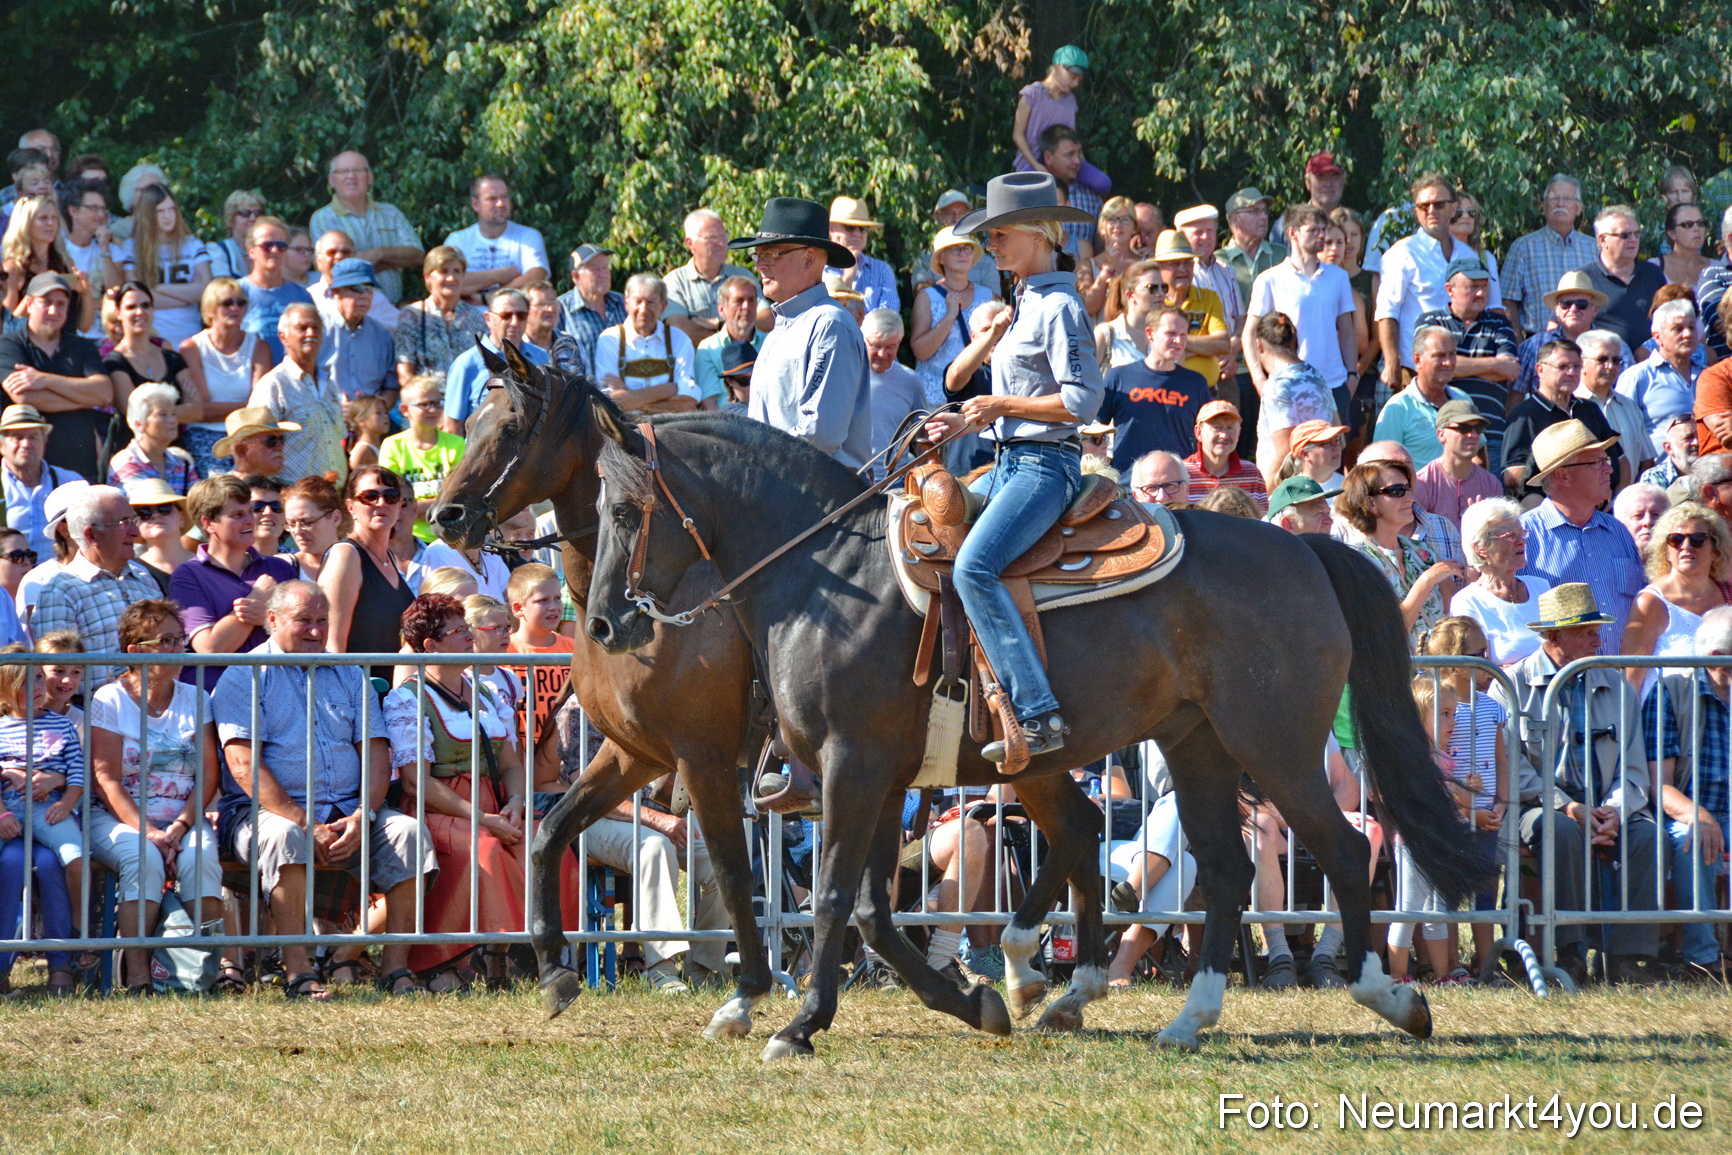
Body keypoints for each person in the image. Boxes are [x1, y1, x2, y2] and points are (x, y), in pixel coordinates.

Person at [918, 172, 1103, 761]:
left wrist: (998, 406)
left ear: (1037, 234)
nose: (988, 247)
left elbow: (1081, 402)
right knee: (924, 519)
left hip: (1046, 467)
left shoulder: (1061, 304)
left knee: (975, 567)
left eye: (998, 235)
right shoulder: (1025, 301)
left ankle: (1036, 712)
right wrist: (967, 422)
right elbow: (996, 397)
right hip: (1007, 459)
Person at [212, 579, 436, 999]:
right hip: (263, 813)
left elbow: (375, 751)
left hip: (349, 810)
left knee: (409, 834)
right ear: (273, 620)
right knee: (285, 836)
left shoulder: (348, 672)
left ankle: (396, 969)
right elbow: (243, 765)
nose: (316, 630)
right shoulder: (243, 674)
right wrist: (304, 821)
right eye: (304, 621)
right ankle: (299, 970)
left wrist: (364, 814)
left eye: (322, 620)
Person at [1492, 583, 1664, 986]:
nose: (1598, 639)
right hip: (1537, 805)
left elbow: (1634, 768)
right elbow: (1511, 769)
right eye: (1586, 631)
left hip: (1606, 803)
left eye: (1596, 629)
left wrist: (1616, 812)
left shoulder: (1617, 685)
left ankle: (1629, 959)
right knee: (1562, 831)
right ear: (1554, 637)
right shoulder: (1509, 685)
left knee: (1647, 836)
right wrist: (1567, 806)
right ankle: (1571, 953)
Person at [87, 599, 230, 992]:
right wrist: (151, 832)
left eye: (179, 639)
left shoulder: (195, 697)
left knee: (202, 859)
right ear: (136, 652)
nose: (178, 648)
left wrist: (182, 826)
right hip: (117, 818)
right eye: (165, 641)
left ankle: (202, 973)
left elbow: (208, 774)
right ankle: (138, 976)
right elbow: (106, 778)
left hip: (183, 817)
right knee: (143, 857)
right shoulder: (109, 699)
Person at [385, 593, 529, 983]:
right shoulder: (407, 699)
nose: (469, 636)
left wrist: (515, 801)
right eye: (458, 630)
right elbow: (418, 782)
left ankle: (520, 959)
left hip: (494, 805)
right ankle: (444, 960)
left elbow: (512, 764)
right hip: (441, 811)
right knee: (485, 847)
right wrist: (483, 818)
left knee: (543, 844)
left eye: (468, 628)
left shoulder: (487, 693)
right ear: (430, 646)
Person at [728, 197, 873, 468]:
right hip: (785, 492)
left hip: (823, 502)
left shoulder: (830, 324)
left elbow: (820, 432)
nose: (759, 265)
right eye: (757, 255)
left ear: (808, 259)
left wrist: (756, 458)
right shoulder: (781, 327)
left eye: (771, 254)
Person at [1642, 606, 1732, 979]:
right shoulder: (1670, 693)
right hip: (1689, 811)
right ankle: (1704, 959)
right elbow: (1658, 786)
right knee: (1692, 838)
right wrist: (1700, 815)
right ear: (1717, 659)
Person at [1376, 176, 1504, 402]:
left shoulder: (1468, 254)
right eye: (1423, 206)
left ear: (1454, 207)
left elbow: (1486, 309)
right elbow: (1387, 313)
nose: (1431, 210)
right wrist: (1391, 362)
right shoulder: (1402, 253)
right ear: (1416, 211)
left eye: (1439, 204)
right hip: (1414, 371)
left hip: (1462, 370)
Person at [0, 645, 82, 995]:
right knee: (12, 864)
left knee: (57, 864)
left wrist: (64, 797)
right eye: (22, 682)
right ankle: (1, 969)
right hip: (9, 821)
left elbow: (78, 772)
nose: (34, 687)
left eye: (36, 678)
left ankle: (67, 955)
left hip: (48, 815)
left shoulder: (62, 724)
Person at [1519, 420, 1645, 646]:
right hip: (1561, 680)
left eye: (1606, 460)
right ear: (1563, 476)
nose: (1610, 468)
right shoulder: (1524, 537)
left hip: (1623, 678)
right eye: (1597, 462)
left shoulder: (1618, 532)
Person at [171, 473, 297, 687]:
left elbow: (304, 635)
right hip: (214, 699)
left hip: (277, 695)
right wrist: (257, 599)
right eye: (238, 515)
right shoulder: (188, 576)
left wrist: (268, 620)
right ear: (209, 523)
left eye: (250, 511)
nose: (250, 520)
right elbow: (210, 648)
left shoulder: (280, 568)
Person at [33, 484, 160, 687]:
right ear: (91, 535)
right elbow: (57, 679)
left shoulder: (144, 578)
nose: (136, 532)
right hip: (92, 713)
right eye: (124, 523)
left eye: (133, 520)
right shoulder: (61, 592)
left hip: (157, 709)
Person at [1243, 206, 1356, 428]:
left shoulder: (1338, 277)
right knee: (1290, 457)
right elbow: (1249, 334)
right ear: (1292, 233)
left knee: (1333, 457)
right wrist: (1259, 379)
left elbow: (1347, 330)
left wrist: (1352, 375)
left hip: (1332, 383)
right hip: (1288, 384)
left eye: (1324, 229)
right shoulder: (1270, 279)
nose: (1321, 235)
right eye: (1314, 230)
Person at [1333, 459, 1466, 645]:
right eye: (1396, 491)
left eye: (1408, 488)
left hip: (1436, 671)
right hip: (1394, 671)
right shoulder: (1354, 561)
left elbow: (1455, 613)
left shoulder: (1423, 551)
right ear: (1370, 502)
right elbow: (1390, 632)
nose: (1409, 497)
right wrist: (1426, 581)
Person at [1386, 674, 1465, 984]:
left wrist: (1463, 794)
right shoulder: (1413, 758)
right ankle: (1396, 974)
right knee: (1407, 911)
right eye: (1444, 714)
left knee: (1438, 911)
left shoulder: (1443, 758)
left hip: (1438, 843)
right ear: (1419, 716)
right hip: (1414, 843)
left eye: (1453, 714)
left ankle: (1443, 975)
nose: (1452, 721)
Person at [0, 272, 111, 480]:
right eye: (46, 302)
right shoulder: (9, 345)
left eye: (61, 304)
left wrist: (44, 379)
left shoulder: (82, 347)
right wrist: (83, 399)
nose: (54, 310)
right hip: (27, 471)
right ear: (30, 304)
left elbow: (104, 393)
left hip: (79, 466)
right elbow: (24, 398)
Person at [1413, 257, 1519, 470]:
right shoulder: (1430, 322)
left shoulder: (1500, 323)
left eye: (1484, 286)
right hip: (1441, 434)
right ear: (1449, 290)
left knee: (1489, 500)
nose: (1480, 293)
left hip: (1489, 434)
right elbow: (1430, 370)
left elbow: (1509, 370)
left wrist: (1453, 367)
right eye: (1472, 287)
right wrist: (1493, 365)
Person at [318, 466, 415, 679]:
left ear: (400, 506)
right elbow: (332, 645)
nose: (381, 503)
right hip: (360, 698)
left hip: (391, 697)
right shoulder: (346, 555)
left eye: (391, 496)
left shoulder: (389, 557)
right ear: (351, 507)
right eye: (370, 496)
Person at [1620, 501, 1732, 681]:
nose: (1686, 546)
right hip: (1666, 708)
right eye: (1676, 540)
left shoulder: (1728, 596)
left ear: (1715, 551)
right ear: (1665, 551)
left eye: (1698, 539)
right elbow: (1630, 677)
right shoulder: (1650, 602)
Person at [1502, 338, 1624, 494]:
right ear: (1540, 370)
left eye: (1576, 367)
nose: (1571, 373)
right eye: (1563, 366)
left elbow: (1621, 459)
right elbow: (1512, 476)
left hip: (1600, 506)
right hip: (1548, 506)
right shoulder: (1525, 414)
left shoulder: (1589, 409)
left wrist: (1619, 493)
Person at [1097, 306, 1210, 473]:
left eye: (1183, 335)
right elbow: (1096, 428)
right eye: (1171, 334)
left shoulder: (1195, 383)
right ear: (1150, 334)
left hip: (1177, 484)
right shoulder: (1119, 376)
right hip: (1129, 483)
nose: (1178, 341)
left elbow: (1207, 434)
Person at [179, 277, 271, 476]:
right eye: (227, 303)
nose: (235, 308)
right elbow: (200, 410)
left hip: (248, 434)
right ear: (210, 309)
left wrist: (217, 409)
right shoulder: (192, 348)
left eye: (241, 302)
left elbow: (260, 408)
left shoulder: (259, 347)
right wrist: (244, 406)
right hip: (204, 433)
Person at [307, 151, 423, 306]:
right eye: (343, 171)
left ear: (370, 177)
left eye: (358, 170)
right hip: (348, 310)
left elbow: (417, 255)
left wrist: (378, 253)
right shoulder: (323, 218)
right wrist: (395, 260)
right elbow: (335, 270)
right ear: (332, 180)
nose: (351, 176)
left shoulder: (390, 213)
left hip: (394, 309)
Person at [249, 304, 345, 484]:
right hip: (293, 497)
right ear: (283, 337)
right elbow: (256, 447)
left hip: (333, 495)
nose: (311, 333)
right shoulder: (274, 385)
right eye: (302, 328)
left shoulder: (329, 383)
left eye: (316, 328)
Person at [1497, 176, 1598, 343]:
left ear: (1578, 208)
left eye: (1567, 198)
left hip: (1587, 344)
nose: (1560, 203)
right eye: (1554, 198)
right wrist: (1517, 343)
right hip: (1538, 343)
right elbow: (1507, 300)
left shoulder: (1594, 248)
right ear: (1543, 207)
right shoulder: (1523, 247)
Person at [1452, 497, 1551, 666]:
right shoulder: (1468, 602)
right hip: (1504, 692)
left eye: (1522, 533)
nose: (1522, 541)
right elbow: (1474, 673)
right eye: (1511, 536)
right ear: (1481, 548)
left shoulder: (1541, 587)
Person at [440, 287, 550, 434]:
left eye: (521, 315)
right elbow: (452, 426)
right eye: (506, 316)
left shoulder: (542, 357)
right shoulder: (466, 364)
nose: (514, 322)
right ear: (488, 319)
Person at [1246, 311, 1336, 489]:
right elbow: (1336, 426)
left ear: (1259, 346)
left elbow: (1284, 451)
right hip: (1321, 481)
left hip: (1288, 488)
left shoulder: (1277, 386)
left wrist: (1265, 496)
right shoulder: (1317, 376)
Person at [110, 186, 207, 346]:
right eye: (160, 211)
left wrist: (157, 288)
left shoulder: (192, 245)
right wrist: (187, 296)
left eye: (172, 209)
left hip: (191, 336)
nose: (168, 216)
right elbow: (136, 297)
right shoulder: (132, 248)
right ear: (148, 215)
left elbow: (205, 291)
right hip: (154, 336)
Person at [911, 227, 997, 407]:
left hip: (976, 397)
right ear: (941, 257)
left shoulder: (989, 296)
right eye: (955, 248)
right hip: (933, 401)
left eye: (967, 248)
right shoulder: (927, 297)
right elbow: (920, 351)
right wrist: (949, 317)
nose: (963, 253)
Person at [593, 273, 700, 414]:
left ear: (663, 305)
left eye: (651, 302)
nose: (643, 309)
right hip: (627, 428)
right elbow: (609, 403)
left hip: (672, 427)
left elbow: (688, 402)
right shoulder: (610, 339)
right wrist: (669, 389)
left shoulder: (679, 339)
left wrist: (630, 397)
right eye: (637, 301)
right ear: (627, 303)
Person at [1513, 271, 1627, 399]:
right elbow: (1515, 395)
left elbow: (1625, 395)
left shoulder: (1616, 347)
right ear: (1556, 310)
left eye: (1581, 304)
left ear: (1594, 310)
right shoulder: (1533, 346)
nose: (1573, 309)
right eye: (1566, 304)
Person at [441, 174, 549, 305]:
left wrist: (488, 297)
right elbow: (448, 282)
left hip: (514, 320)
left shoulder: (528, 237)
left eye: (504, 197)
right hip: (464, 321)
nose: (501, 203)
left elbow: (535, 279)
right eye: (492, 199)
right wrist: (498, 275)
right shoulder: (458, 240)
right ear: (475, 204)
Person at [380, 375, 465, 542]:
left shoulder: (456, 444)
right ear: (405, 410)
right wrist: (440, 504)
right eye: (424, 404)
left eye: (436, 403)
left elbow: (458, 499)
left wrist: (415, 507)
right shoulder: (392, 446)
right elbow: (393, 502)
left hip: (451, 536)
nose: (432, 410)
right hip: (408, 538)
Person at [1371, 325, 1469, 468]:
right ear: (1417, 360)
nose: (1448, 362)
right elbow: (1380, 466)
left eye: (1452, 354)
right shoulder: (1398, 408)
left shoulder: (1463, 400)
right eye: (1439, 355)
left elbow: (1479, 454)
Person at [1011, 46, 1109, 188]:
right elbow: (1017, 135)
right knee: (1030, 187)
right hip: (1033, 161)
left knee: (1102, 183)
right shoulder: (1031, 94)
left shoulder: (1070, 101)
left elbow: (1072, 137)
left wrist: (1080, 164)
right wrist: (1036, 165)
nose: (1075, 84)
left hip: (1064, 161)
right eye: (1073, 77)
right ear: (1057, 68)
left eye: (1079, 80)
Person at [393, 246, 488, 390]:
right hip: (428, 403)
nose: (451, 278)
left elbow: (485, 368)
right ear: (428, 277)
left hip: (470, 401)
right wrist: (430, 404)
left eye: (457, 271)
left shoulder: (476, 318)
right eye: (444, 271)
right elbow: (405, 374)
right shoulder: (411, 315)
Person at [1577, 205, 1666, 352]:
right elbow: (1560, 324)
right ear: (1603, 239)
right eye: (1625, 235)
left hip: (1651, 364)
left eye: (1637, 234)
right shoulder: (1584, 279)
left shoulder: (1652, 273)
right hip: (1606, 364)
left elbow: (1669, 318)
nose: (1633, 240)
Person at [662, 208, 756, 345]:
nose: (721, 243)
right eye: (712, 237)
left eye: (723, 236)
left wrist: (718, 324)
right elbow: (680, 331)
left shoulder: (743, 277)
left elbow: (765, 321)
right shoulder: (674, 282)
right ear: (690, 243)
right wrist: (737, 330)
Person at [1149, 230, 1230, 389]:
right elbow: (1147, 347)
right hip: (1162, 393)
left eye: (1187, 263)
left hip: (1207, 393)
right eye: (1174, 264)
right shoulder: (1152, 302)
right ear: (1159, 268)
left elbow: (1223, 344)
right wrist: (1202, 347)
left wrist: (1171, 344)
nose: (1182, 269)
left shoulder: (1209, 298)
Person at [0, 403, 81, 559]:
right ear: (2, 446)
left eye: (33, 437)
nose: (26, 444)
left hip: (61, 579)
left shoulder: (70, 483)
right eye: (18, 438)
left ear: (44, 442)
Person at [3, 194, 93, 333]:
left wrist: (86, 292)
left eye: (54, 218)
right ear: (26, 223)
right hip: (29, 348)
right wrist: (40, 287)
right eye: (43, 218)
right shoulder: (14, 268)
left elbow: (84, 326)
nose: (50, 224)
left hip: (65, 344)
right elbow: (8, 325)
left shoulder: (65, 262)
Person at [1617, 298, 1699, 447]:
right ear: (1657, 336)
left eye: (1692, 328)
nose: (1687, 334)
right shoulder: (1638, 377)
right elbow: (1623, 432)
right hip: (1657, 468)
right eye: (1678, 329)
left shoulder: (1707, 376)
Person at [317, 259, 397, 406]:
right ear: (336, 292)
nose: (365, 296)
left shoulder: (381, 335)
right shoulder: (316, 330)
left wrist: (372, 411)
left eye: (369, 289)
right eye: (357, 289)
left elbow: (392, 387)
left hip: (371, 422)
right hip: (326, 418)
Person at [1576, 328, 1653, 479]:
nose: (1610, 366)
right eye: (1602, 359)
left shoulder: (1630, 407)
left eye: (1616, 360)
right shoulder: (1570, 406)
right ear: (1582, 363)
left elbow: (1646, 463)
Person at [235, 216, 312, 361]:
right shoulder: (235, 292)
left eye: (281, 246)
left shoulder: (301, 296)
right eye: (267, 245)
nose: (275, 250)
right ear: (251, 251)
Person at [1412, 399, 1500, 523]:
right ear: (1441, 434)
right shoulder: (1422, 483)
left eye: (1478, 428)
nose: (1473, 435)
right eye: (1464, 428)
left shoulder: (1492, 484)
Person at [862, 310, 924, 480]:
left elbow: (923, 435)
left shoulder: (910, 381)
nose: (882, 354)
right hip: (851, 481)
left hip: (895, 482)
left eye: (891, 347)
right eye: (876, 346)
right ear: (862, 339)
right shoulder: (845, 374)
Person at [107, 380, 198, 494]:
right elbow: (147, 506)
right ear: (139, 424)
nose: (172, 420)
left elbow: (197, 504)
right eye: (163, 414)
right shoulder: (127, 462)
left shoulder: (182, 463)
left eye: (174, 414)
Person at [59, 179, 123, 338]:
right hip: (68, 334)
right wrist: (98, 303)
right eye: (94, 208)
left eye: (103, 209)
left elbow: (117, 294)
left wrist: (104, 249)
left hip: (104, 336)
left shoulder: (112, 251)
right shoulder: (59, 249)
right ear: (73, 211)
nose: (101, 215)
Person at [1217, 188, 1287, 326]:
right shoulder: (1219, 261)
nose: (1263, 217)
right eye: (1254, 211)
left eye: (1265, 211)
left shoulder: (1283, 254)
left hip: (1277, 343)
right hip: (1235, 344)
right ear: (1234, 219)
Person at [1182, 399, 1267, 510]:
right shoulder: (1182, 473)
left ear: (1239, 433)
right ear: (1199, 433)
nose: (1224, 435)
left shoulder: (1251, 474)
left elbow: (1263, 521)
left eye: (1230, 428)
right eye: (1217, 428)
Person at [554, 244, 625, 373]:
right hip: (585, 391)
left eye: (605, 267)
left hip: (628, 390)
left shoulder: (623, 303)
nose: (603, 274)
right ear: (576, 276)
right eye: (595, 269)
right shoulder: (560, 309)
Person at [694, 275, 761, 408]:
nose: (746, 307)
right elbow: (709, 402)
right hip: (727, 423)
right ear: (721, 310)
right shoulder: (708, 349)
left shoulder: (771, 342)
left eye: (751, 300)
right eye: (739, 301)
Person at [282, 474, 344, 583]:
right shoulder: (283, 567)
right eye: (291, 524)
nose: (298, 531)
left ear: (335, 518)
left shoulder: (362, 565)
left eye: (307, 522)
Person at [1651, 202, 1719, 288]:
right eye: (1687, 225)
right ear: (1672, 233)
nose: (1696, 229)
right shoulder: (1653, 268)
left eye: (1700, 224)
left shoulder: (1718, 268)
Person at [206, 189, 263, 280]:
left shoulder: (270, 250)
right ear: (231, 218)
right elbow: (223, 289)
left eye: (257, 213)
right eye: (245, 213)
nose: (253, 218)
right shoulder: (219, 251)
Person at [1276, 418, 1347, 491]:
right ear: (1305, 454)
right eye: (1327, 443)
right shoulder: (1288, 493)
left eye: (1336, 440)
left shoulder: (1350, 488)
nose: (1336, 447)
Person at [1264, 474, 1338, 535]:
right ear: (1288, 524)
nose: (1330, 521)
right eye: (1319, 513)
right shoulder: (1263, 551)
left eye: (1328, 513)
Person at [1641, 413, 1697, 489]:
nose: (1696, 443)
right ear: (1669, 448)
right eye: (1688, 438)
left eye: (1699, 436)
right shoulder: (1655, 475)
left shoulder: (1712, 468)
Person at [1614, 481, 1671, 555]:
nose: (1648, 522)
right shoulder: (1606, 562)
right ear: (1619, 522)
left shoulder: (1678, 564)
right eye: (1638, 516)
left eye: (1655, 515)